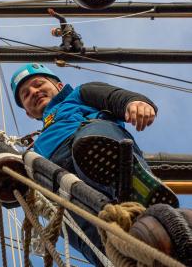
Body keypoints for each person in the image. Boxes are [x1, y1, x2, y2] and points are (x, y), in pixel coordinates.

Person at [10, 63, 178, 266]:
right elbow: (13, 191)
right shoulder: (34, 149)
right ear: (29, 113)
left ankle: (131, 185)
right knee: (80, 227)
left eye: (38, 84)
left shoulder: (79, 95)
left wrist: (135, 103)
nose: (34, 92)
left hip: (90, 142)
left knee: (91, 140)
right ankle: (116, 257)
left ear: (59, 85)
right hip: (58, 178)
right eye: (26, 95)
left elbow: (114, 97)